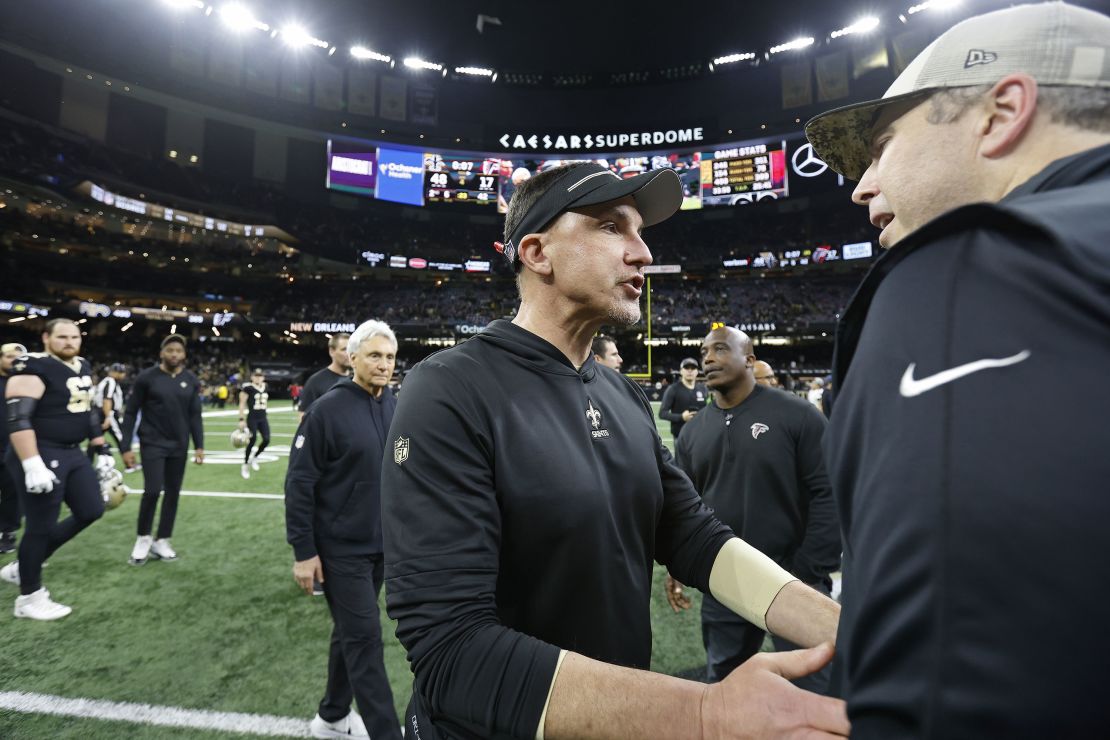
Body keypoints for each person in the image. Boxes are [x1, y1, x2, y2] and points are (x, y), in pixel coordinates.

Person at [382, 162, 848, 740]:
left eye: (640, 232)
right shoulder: (449, 389)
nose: (643, 253)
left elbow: (696, 538)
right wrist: (707, 714)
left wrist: (848, 632)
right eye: (610, 227)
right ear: (536, 252)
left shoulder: (621, 394)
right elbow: (452, 652)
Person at [804, 3, 1110, 736]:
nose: (861, 187)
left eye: (882, 148)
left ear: (1001, 112)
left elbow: (946, 694)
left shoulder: (973, 269)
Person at [667, 327, 840, 692]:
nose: (707, 358)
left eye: (719, 349)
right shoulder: (694, 432)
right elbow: (686, 508)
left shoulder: (798, 415)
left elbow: (830, 493)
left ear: (749, 359)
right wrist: (679, 568)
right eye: (703, 353)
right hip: (726, 583)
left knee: (816, 693)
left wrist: (807, 568)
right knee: (727, 690)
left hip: (796, 580)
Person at [285, 320, 402, 740]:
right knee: (366, 640)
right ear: (352, 358)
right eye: (374, 355)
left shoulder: (393, 405)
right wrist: (303, 552)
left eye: (389, 357)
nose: (384, 365)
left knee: (352, 634)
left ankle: (332, 715)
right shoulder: (327, 410)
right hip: (340, 549)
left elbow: (401, 466)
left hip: (381, 546)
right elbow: (299, 483)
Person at [1, 320, 109, 619]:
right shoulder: (32, 366)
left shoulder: (83, 365)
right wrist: (31, 461)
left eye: (74, 337)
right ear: (46, 338)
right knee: (40, 526)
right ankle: (29, 597)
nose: (69, 342)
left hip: (72, 452)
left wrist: (101, 446)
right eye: (62, 337)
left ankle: (24, 567)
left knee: (91, 509)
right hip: (41, 450)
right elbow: (18, 419)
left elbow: (87, 410)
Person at [120, 334, 204, 565]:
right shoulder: (147, 378)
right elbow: (130, 412)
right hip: (152, 443)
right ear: (161, 353)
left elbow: (195, 415)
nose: (174, 354)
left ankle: (163, 539)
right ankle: (143, 538)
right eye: (170, 350)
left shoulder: (191, 379)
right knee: (152, 491)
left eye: (178, 350)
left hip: (179, 445)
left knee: (173, 493)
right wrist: (125, 446)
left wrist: (199, 445)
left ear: (184, 354)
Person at [0, 342, 27, 554]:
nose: (13, 361)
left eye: (17, 358)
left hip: (13, 447)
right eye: (9, 357)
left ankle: (7, 533)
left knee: (12, 492)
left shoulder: (26, 383)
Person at [298, 333, 351, 421]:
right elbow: (304, 417)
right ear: (331, 351)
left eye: (351, 349)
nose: (349, 354)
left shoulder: (357, 379)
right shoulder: (315, 381)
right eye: (344, 349)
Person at [657, 357, 708, 440]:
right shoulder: (673, 389)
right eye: (686, 368)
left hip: (699, 435)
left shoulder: (703, 389)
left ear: (697, 372)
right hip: (680, 436)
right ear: (681, 371)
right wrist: (681, 417)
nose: (690, 370)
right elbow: (662, 413)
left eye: (693, 368)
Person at [93, 363, 130, 465]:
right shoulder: (110, 382)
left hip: (101, 413)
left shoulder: (107, 381)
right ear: (115, 372)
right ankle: (130, 464)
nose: (123, 375)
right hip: (108, 413)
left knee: (96, 439)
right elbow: (107, 400)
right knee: (121, 438)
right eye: (121, 372)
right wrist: (108, 417)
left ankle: (88, 460)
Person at [237, 369, 270, 480]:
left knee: (266, 439)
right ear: (252, 377)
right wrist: (241, 419)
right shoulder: (248, 388)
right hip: (252, 418)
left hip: (263, 418)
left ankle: (254, 458)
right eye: (256, 376)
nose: (258, 377)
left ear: (263, 377)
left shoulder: (265, 386)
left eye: (260, 376)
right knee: (253, 440)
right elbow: (242, 403)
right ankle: (245, 464)